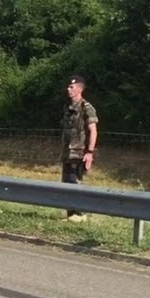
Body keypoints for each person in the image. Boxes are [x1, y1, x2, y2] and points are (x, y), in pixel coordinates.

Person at [60, 75, 98, 221]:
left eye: (72, 87)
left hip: (79, 152)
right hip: (67, 152)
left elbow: (93, 131)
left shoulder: (86, 108)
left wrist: (90, 152)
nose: (68, 89)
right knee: (66, 183)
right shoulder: (68, 108)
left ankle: (80, 214)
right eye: (68, 87)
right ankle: (71, 215)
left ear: (80, 89)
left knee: (74, 181)